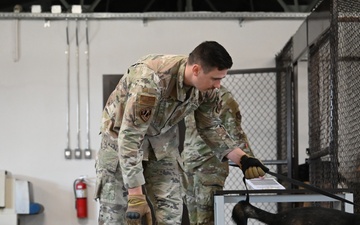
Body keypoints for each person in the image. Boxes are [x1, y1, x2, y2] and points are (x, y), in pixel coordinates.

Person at [94, 41, 268, 225]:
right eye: (215, 79)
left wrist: (243, 159)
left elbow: (209, 127)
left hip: (162, 144)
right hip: (119, 143)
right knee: (116, 216)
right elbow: (130, 136)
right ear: (196, 70)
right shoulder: (150, 80)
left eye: (221, 79)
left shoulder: (207, 90)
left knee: (170, 214)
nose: (218, 85)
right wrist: (136, 195)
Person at [181, 85, 256, 225]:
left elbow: (235, 133)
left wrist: (249, 162)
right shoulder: (192, 94)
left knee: (206, 219)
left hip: (210, 166)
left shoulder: (222, 96)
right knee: (193, 219)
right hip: (189, 164)